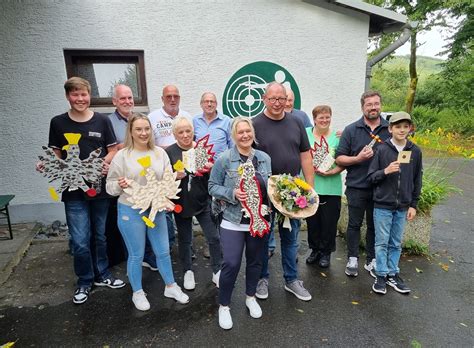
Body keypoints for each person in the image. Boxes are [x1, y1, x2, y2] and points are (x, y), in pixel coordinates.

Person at [44, 77, 125, 305]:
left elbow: (112, 150)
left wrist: (103, 163)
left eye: (83, 94)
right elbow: (56, 154)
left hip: (98, 189)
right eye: (75, 94)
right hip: (73, 192)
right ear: (68, 96)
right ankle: (84, 281)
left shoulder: (101, 121)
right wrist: (47, 163)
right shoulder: (58, 123)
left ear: (89, 96)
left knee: (100, 235)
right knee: (80, 240)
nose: (80, 99)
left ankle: (102, 274)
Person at [106, 113, 189, 311]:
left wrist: (174, 182)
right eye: (139, 129)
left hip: (156, 210)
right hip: (131, 211)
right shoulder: (122, 156)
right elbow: (110, 187)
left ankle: (170, 286)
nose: (143, 133)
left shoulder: (159, 153)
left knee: (163, 251)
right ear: (131, 132)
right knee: (136, 254)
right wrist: (120, 184)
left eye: (146, 129)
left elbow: (168, 179)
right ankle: (138, 292)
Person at [253, 82, 314, 302]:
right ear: (264, 99)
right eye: (272, 99)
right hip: (263, 192)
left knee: (291, 238)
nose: (277, 103)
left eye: (281, 99)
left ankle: (291, 280)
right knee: (262, 237)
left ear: (287, 99)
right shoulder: (254, 124)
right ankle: (262, 279)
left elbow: (306, 155)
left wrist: (310, 187)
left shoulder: (296, 122)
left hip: (292, 192)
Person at [209, 117, 272, 330]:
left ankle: (250, 297)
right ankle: (224, 306)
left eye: (248, 131)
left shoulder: (264, 158)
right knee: (232, 263)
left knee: (255, 262)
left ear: (252, 133)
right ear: (234, 136)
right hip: (233, 220)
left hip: (259, 220)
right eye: (240, 132)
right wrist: (231, 193)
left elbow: (269, 186)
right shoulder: (225, 159)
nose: (245, 135)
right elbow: (212, 186)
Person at [335, 90, 390, 277]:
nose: (373, 107)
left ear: (380, 105)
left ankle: (371, 259)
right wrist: (358, 158)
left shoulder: (389, 129)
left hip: (382, 187)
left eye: (376, 104)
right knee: (354, 224)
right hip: (357, 186)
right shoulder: (351, 130)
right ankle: (352, 258)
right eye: (369, 104)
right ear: (362, 107)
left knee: (375, 225)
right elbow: (340, 158)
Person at [367, 111, 422, 295]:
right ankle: (381, 275)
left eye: (406, 126)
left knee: (396, 243)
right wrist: (386, 171)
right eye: (398, 126)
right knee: (381, 242)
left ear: (410, 129)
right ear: (390, 129)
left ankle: (393, 274)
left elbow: (417, 179)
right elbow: (371, 177)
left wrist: (413, 204)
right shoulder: (382, 149)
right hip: (383, 204)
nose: (402, 130)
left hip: (402, 206)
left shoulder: (415, 151)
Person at [165, 117, 222, 290]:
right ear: (175, 135)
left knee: (213, 237)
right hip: (181, 203)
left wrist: (211, 167)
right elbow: (162, 178)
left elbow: (212, 177)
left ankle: (217, 271)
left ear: (193, 132)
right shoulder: (169, 152)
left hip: (202, 201)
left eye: (188, 131)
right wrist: (175, 175)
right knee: (185, 240)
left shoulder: (200, 149)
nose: (185, 135)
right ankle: (188, 271)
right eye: (180, 132)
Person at [108, 84, 158, 271]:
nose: (127, 101)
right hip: (125, 183)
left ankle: (148, 256)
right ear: (114, 101)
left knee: (149, 220)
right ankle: (133, 258)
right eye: (123, 98)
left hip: (145, 181)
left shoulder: (141, 120)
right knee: (130, 224)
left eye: (130, 98)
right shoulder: (109, 122)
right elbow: (112, 149)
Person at [148, 85, 191, 249]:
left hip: (184, 170)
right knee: (165, 208)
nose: (172, 99)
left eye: (175, 96)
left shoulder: (187, 116)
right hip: (162, 169)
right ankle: (168, 245)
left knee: (184, 209)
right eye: (168, 96)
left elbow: (192, 140)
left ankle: (187, 247)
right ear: (162, 99)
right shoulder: (153, 117)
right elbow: (149, 143)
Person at [305, 105, 344, 268]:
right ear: (314, 119)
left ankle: (326, 252)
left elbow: (344, 160)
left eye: (327, 117)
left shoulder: (338, 137)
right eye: (321, 117)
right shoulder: (305, 134)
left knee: (329, 222)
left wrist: (333, 171)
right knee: (312, 221)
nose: (324, 120)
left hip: (331, 186)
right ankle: (315, 249)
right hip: (310, 186)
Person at [193, 92, 233, 159]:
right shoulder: (195, 121)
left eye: (212, 102)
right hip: (201, 166)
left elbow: (232, 145)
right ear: (201, 104)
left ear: (216, 104)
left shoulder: (226, 121)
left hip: (221, 165)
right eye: (206, 101)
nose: (209, 104)